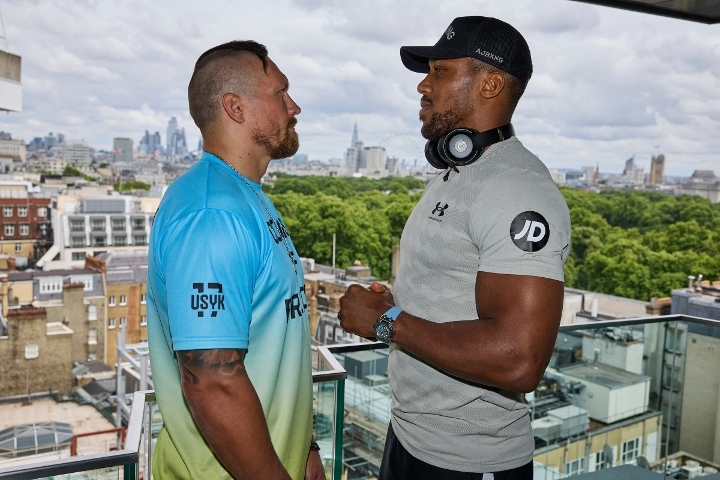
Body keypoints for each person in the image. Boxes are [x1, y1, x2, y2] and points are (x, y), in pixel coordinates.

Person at [338, 17, 571, 480]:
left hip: (466, 463)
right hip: (410, 438)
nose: (423, 85)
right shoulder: (458, 173)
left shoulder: (516, 189)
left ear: (490, 84)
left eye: (440, 71)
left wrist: (386, 321)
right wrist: (396, 306)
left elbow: (519, 358)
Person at [147, 40, 325, 480]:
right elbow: (212, 382)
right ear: (236, 108)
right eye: (281, 93)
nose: (295, 106)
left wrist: (304, 446)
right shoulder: (213, 215)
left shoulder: (242, 197)